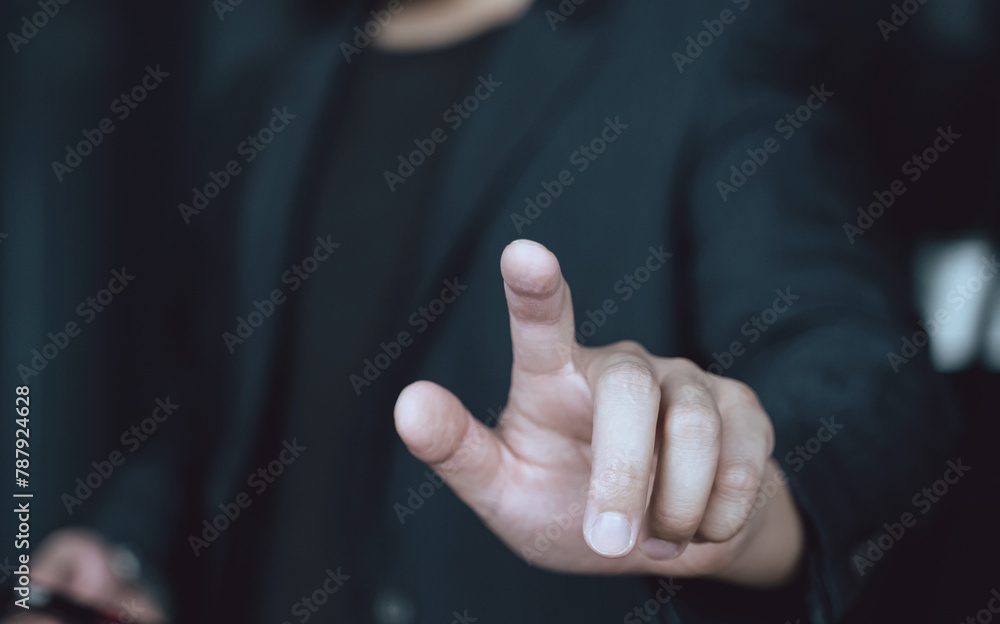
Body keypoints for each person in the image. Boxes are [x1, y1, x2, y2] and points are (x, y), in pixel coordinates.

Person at [7, 0, 958, 622]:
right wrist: (123, 553)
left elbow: (867, 373)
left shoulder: (704, 48)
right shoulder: (267, 97)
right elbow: (204, 406)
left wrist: (730, 494)